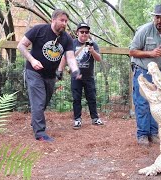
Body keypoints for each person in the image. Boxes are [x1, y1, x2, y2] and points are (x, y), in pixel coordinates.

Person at [17, 9, 81, 142]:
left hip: (50, 75)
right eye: (62, 20)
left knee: (44, 101)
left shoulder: (67, 38)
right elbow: (21, 45)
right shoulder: (39, 30)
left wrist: (75, 70)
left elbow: (70, 57)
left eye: (66, 21)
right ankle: (40, 133)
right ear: (53, 20)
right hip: (34, 72)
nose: (64, 23)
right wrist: (32, 60)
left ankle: (35, 120)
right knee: (39, 101)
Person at [129, 4, 161, 146]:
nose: (159, 20)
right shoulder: (144, 30)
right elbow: (132, 51)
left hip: (160, 72)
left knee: (159, 103)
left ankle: (154, 133)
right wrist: (150, 53)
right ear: (153, 17)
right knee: (142, 103)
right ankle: (143, 135)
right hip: (142, 71)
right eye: (157, 17)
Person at [57, 22, 104, 130]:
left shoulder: (93, 44)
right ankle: (77, 119)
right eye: (82, 31)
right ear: (77, 32)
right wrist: (60, 70)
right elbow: (65, 58)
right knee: (76, 99)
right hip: (75, 77)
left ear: (88, 33)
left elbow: (98, 59)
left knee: (91, 98)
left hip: (89, 77)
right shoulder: (71, 44)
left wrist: (92, 51)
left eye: (86, 32)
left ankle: (95, 118)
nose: (84, 34)